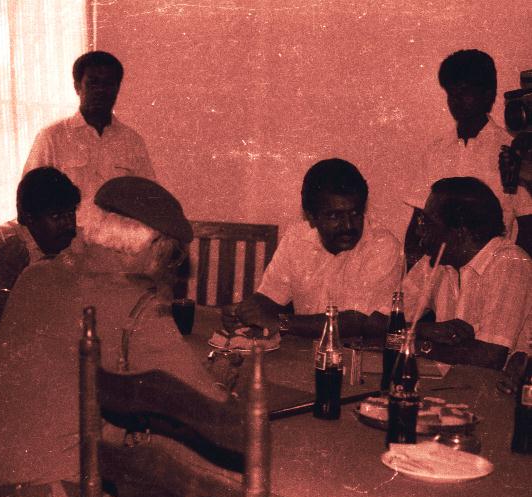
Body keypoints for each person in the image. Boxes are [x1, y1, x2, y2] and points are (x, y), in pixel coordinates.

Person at [0, 177, 225, 497]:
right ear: (153, 245)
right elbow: (212, 411)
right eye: (173, 256)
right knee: (184, 493)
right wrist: (221, 382)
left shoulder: (36, 275)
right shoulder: (135, 303)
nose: (171, 269)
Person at [224, 158, 404, 338]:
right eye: (335, 216)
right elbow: (271, 296)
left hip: (357, 353)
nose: (348, 225)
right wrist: (245, 312)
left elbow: (358, 321)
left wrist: (281, 323)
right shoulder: (296, 238)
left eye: (355, 213)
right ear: (311, 216)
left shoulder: (383, 246)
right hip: (305, 350)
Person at [405, 49, 532, 268]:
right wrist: (411, 271)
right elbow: (419, 221)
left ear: (488, 95)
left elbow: (527, 223)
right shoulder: (436, 151)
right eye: (451, 93)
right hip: (441, 270)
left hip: (493, 269)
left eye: (465, 92)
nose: (456, 100)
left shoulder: (511, 151)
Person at [401, 176, 531, 369]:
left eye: (427, 222)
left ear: (460, 231)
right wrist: (423, 329)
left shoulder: (510, 262)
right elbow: (381, 322)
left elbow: (490, 357)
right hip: (448, 384)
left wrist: (421, 346)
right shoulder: (435, 261)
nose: (419, 232)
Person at [23, 50, 156, 219]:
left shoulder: (132, 141)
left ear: (117, 88)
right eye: (93, 83)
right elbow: (30, 199)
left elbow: (150, 199)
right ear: (77, 86)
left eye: (108, 83)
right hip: (71, 235)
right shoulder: (52, 138)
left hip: (121, 235)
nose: (101, 90)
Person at [0, 167, 81, 319]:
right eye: (56, 216)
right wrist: (9, 281)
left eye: (71, 213)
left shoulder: (79, 238)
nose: (69, 224)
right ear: (29, 218)